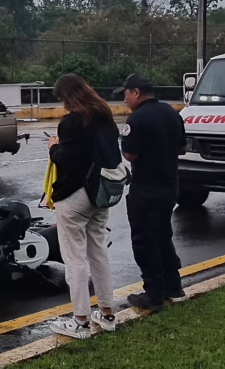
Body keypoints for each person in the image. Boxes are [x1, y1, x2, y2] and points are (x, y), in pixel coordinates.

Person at [46, 73, 118, 339]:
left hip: (76, 196)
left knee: (74, 258)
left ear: (69, 96)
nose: (62, 104)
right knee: (98, 253)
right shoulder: (105, 115)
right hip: (102, 192)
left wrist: (54, 147)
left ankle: (80, 320)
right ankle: (107, 313)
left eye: (62, 98)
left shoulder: (73, 122)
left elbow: (68, 160)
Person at [115, 73, 187, 312]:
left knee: (145, 241)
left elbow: (129, 155)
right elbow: (182, 149)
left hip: (145, 188)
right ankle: (173, 287)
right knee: (163, 236)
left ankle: (153, 294)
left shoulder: (136, 119)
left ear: (135, 93)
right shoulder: (172, 113)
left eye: (125, 94)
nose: (124, 100)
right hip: (169, 186)